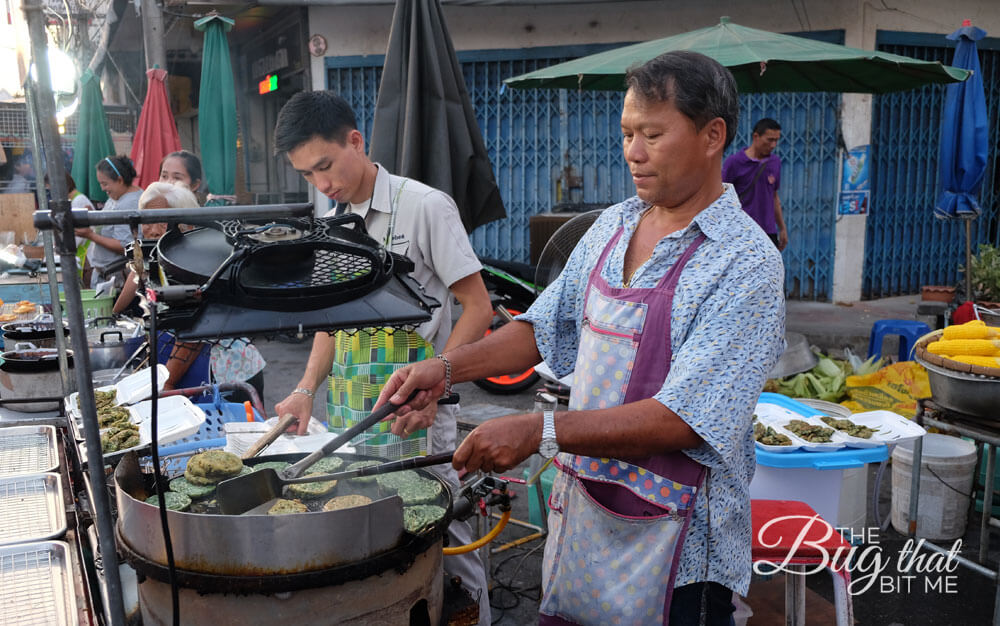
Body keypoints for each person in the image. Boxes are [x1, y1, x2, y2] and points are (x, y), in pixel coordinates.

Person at [378, 51, 786, 625]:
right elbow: (540, 329)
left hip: (682, 547)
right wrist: (444, 370)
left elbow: (684, 419)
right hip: (586, 517)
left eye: (652, 134)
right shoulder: (615, 225)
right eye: (626, 133)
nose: (632, 153)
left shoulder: (745, 264)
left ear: (712, 135)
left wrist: (539, 428)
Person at [271, 90, 494, 623]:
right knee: (375, 542)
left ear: (356, 141)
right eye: (308, 175)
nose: (322, 184)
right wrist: (305, 390)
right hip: (351, 410)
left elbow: (478, 308)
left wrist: (435, 385)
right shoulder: (333, 221)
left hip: (415, 411)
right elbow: (332, 320)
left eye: (325, 166)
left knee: (440, 532)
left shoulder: (424, 206)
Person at [112, 155, 267, 404]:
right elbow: (122, 306)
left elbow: (195, 326)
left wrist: (169, 381)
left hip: (227, 374)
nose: (151, 230)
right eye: (146, 222)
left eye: (160, 221)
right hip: (187, 369)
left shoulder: (194, 259)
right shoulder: (161, 255)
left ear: (184, 224)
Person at [76, 155, 141, 289]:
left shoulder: (128, 204)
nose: (102, 188)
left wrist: (90, 235)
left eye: (105, 183)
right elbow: (110, 228)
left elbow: (126, 246)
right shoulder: (117, 197)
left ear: (120, 180)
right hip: (105, 275)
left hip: (116, 278)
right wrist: (92, 216)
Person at [722, 118, 788, 251]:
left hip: (768, 232)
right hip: (741, 232)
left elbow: (774, 196)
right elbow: (721, 197)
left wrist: (782, 228)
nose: (773, 145)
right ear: (756, 136)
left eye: (776, 140)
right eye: (770, 140)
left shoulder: (775, 163)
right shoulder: (734, 163)